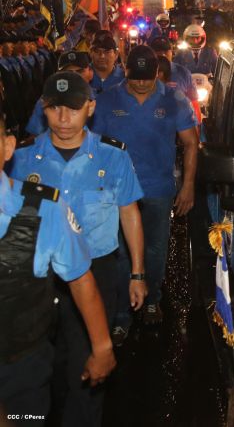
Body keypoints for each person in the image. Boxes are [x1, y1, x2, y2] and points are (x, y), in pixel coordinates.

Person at [11, 72, 145, 425]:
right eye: (55, 109)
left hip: (95, 275)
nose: (64, 119)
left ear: (91, 107)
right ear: (44, 109)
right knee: (41, 368)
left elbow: (129, 212)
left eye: (73, 109)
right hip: (38, 280)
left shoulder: (111, 156)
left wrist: (136, 272)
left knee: (85, 373)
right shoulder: (23, 159)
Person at [0, 110, 116, 427]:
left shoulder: (46, 210)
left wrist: (102, 346)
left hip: (22, 368)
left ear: (8, 148)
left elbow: (80, 278)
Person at [91, 46, 198, 329]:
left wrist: (187, 186)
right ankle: (123, 314)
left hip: (157, 189)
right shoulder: (107, 100)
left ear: (157, 75)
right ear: (125, 72)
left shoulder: (174, 100)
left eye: (146, 78)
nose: (140, 83)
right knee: (121, 253)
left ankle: (153, 299)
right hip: (116, 193)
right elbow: (92, 145)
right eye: (134, 77)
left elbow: (190, 143)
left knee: (155, 249)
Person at [25, 51, 94, 137]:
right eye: (68, 72)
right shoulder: (47, 101)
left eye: (80, 71)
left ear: (91, 73)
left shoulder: (103, 99)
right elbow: (35, 137)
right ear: (58, 75)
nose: (74, 76)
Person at [150, 37, 198, 103]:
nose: (162, 54)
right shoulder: (144, 74)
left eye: (166, 51)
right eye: (158, 51)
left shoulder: (184, 73)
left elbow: (194, 100)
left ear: (172, 52)